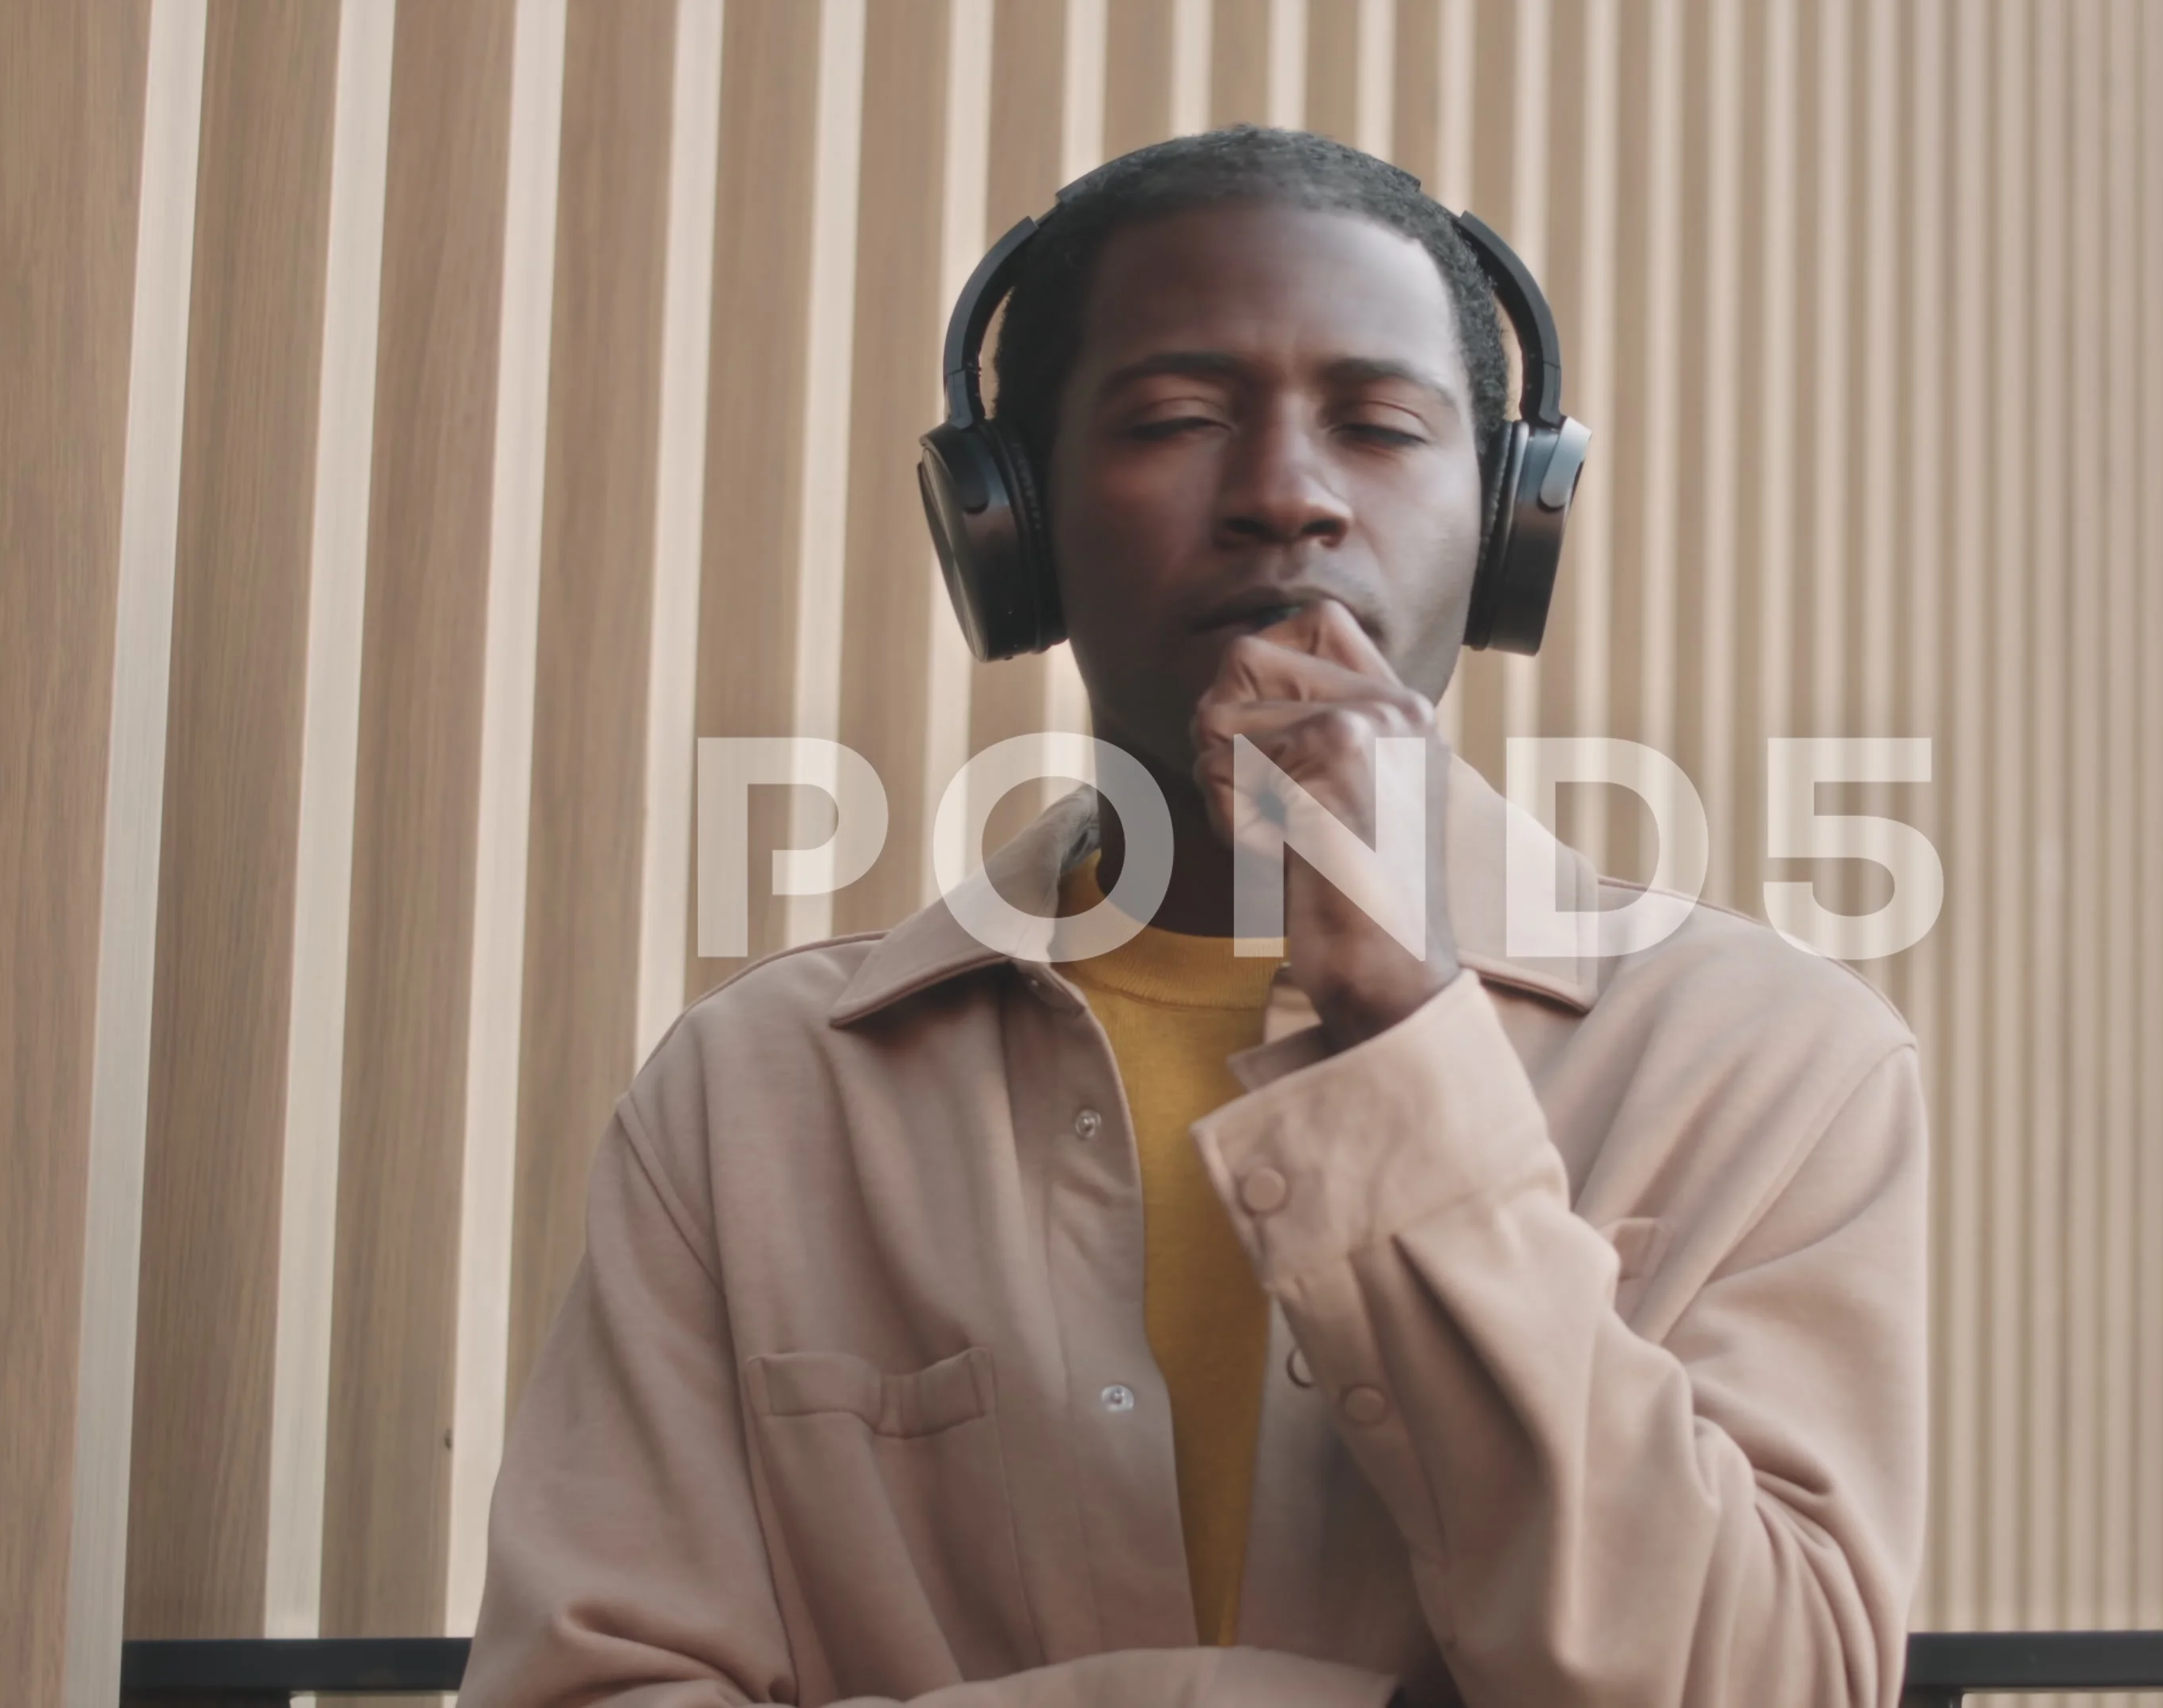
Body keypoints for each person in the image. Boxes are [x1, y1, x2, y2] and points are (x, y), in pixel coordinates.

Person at [459, 127, 1927, 1708]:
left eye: (1379, 425)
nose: (1287, 497)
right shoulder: (754, 1097)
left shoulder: (1769, 1064)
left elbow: (1761, 1681)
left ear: (1506, 524)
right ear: (1008, 525)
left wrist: (1410, 1037)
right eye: (1174, 420)